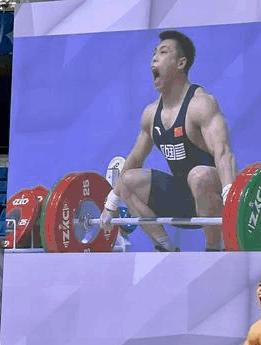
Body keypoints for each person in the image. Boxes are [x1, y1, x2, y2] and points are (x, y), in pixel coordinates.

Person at [100, 29, 238, 252]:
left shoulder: (201, 104)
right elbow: (135, 158)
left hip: (213, 196)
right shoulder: (151, 113)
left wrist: (232, 199)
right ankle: (165, 247)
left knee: (198, 176)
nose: (154, 58)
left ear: (181, 63)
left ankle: (213, 248)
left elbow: (223, 153)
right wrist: (111, 203)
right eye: (154, 53)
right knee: (127, 179)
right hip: (181, 199)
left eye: (163, 52)